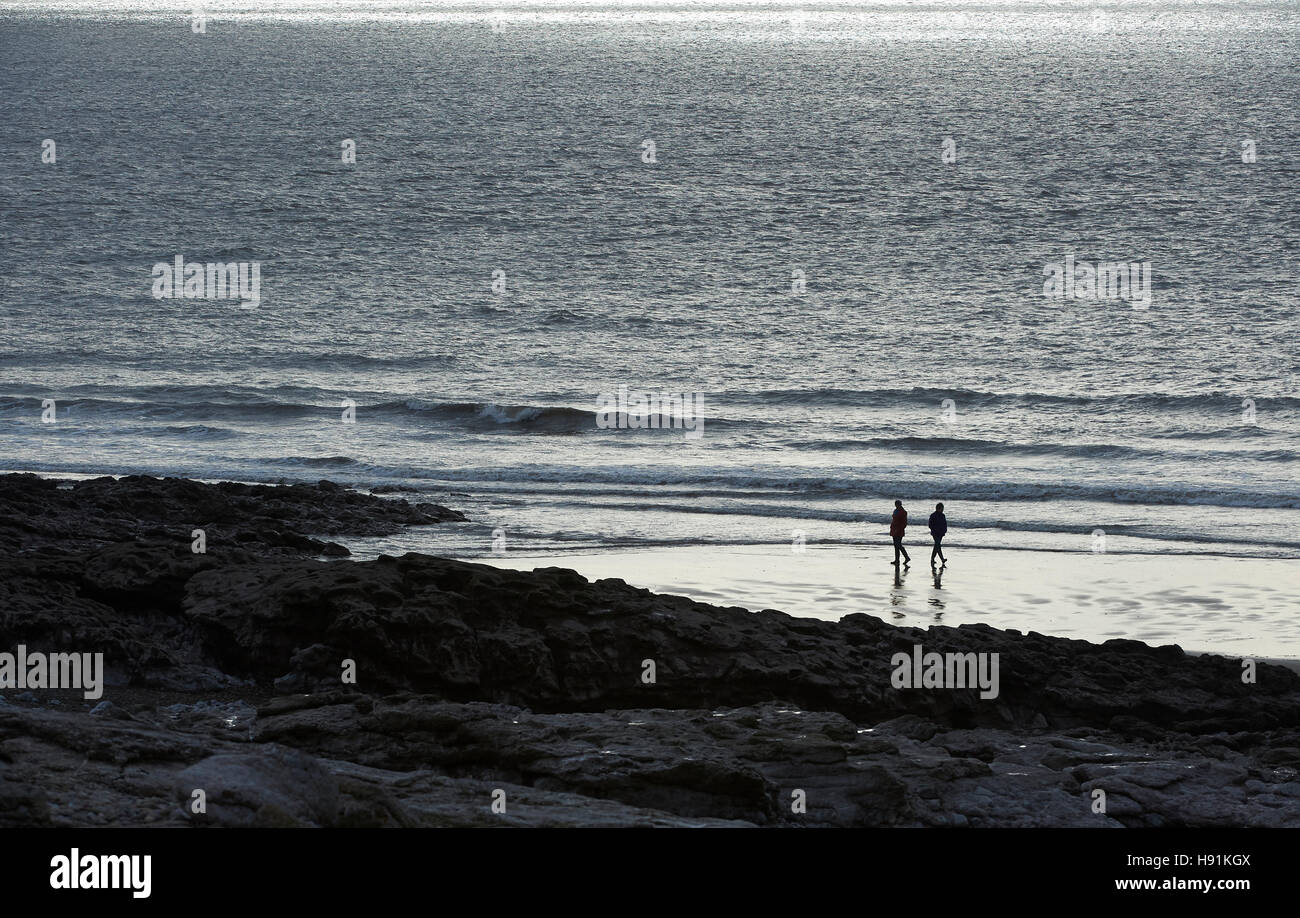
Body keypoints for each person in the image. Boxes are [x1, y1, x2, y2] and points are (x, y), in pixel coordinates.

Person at [890, 500, 910, 567]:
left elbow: (904, 523)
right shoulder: (896, 510)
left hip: (899, 531)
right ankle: (897, 560)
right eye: (896, 505)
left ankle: (906, 557)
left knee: (898, 545)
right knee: (896, 546)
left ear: (900, 505)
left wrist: (898, 530)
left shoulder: (903, 512)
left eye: (897, 504)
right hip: (894, 529)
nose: (896, 506)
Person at [929, 502, 948, 568]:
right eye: (942, 508)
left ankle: (932, 559)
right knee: (938, 545)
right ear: (938, 508)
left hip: (941, 533)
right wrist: (934, 530)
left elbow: (945, 524)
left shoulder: (943, 515)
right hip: (935, 533)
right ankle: (942, 559)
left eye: (943, 508)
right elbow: (930, 524)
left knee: (936, 546)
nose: (942, 510)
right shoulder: (933, 515)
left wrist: (945, 530)